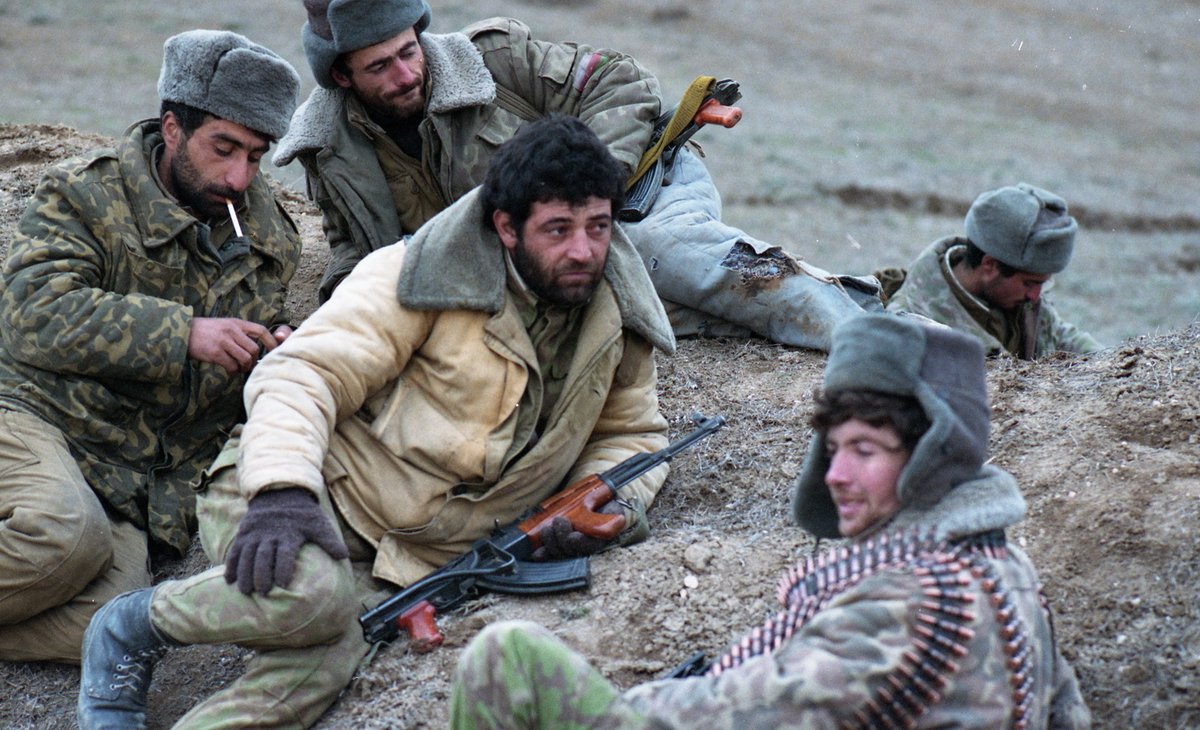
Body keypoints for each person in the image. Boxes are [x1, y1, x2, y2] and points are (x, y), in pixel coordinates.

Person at [78, 114, 675, 729]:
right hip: (301, 495)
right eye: (558, 229)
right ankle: (133, 622)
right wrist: (283, 490)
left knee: (317, 670)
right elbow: (302, 373)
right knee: (314, 597)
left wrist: (607, 505)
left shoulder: (617, 314)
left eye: (598, 227)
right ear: (506, 227)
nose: (583, 250)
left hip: (412, 559)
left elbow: (630, 435)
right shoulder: (419, 273)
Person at [448, 313, 1093, 729]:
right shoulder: (1000, 569)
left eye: (865, 451)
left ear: (931, 460)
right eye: (834, 449)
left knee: (508, 657)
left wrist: (624, 712)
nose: (836, 475)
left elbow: (766, 707)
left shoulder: (921, 600)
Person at [273, 0, 883, 351]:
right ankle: (867, 305)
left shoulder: (491, 61)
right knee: (620, 310)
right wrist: (346, 311)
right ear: (343, 78)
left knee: (659, 255)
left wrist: (596, 184)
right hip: (525, 267)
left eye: (409, 51)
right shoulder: (327, 148)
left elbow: (621, 81)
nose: (406, 73)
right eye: (380, 67)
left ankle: (872, 341)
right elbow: (353, 252)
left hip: (642, 195)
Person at [0, 30, 302, 665]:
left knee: (114, 624)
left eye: (256, 155)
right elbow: (30, 311)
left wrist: (275, 346)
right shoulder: (84, 194)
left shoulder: (268, 230)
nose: (238, 175)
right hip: (34, 414)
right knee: (63, 541)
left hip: (126, 475)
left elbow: (255, 329)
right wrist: (183, 333)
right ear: (172, 128)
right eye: (223, 149)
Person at [886, 182, 1102, 359]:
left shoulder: (1020, 300)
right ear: (990, 265)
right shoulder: (912, 327)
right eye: (1029, 283)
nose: (1035, 296)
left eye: (1042, 283)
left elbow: (1058, 335)